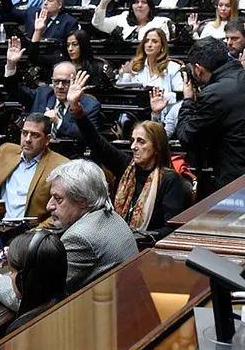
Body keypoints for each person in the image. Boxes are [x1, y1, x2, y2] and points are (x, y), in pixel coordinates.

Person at [0, 159, 138, 310]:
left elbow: (33, 301)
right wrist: (26, 256)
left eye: (58, 199)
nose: (49, 206)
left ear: (83, 201)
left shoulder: (81, 238)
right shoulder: (110, 216)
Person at [68, 71, 191, 237]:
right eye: (133, 140)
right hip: (118, 240)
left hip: (147, 249)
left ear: (156, 148)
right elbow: (97, 142)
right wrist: (76, 109)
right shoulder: (127, 166)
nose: (133, 146)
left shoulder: (170, 181)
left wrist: (139, 237)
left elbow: (172, 229)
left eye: (141, 142)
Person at [175, 38, 245, 194]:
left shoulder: (214, 94)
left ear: (198, 69)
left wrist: (188, 101)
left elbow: (187, 138)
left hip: (238, 184)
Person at [0, 82, 68, 221]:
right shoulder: (7, 151)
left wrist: (35, 234)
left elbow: (63, 212)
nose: (27, 139)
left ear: (47, 140)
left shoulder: (61, 166)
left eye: (35, 135)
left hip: (31, 233)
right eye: (24, 133)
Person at [5, 45, 101, 140]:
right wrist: (11, 64)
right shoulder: (42, 94)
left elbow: (89, 136)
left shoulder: (90, 105)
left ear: (75, 81)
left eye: (65, 82)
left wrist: (58, 122)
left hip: (70, 154)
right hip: (37, 152)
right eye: (56, 81)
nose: (60, 86)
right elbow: (14, 91)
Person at [3, 230, 68, 333]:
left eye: (12, 271)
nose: (10, 275)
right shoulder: (68, 305)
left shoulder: (23, 329)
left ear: (24, 278)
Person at [92, 0, 173, 42]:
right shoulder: (123, 18)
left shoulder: (160, 23)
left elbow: (164, 49)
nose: (140, 5)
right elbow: (98, 23)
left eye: (144, 2)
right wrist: (103, 3)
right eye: (136, 2)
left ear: (150, 6)